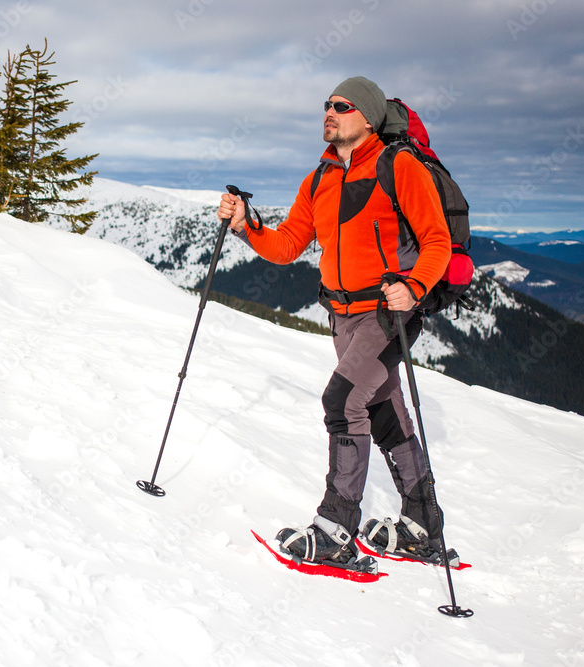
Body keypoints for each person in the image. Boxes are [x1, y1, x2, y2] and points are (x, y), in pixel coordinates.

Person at [218, 76, 452, 567]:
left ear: (368, 117)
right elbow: (287, 245)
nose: (330, 111)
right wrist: (246, 225)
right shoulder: (319, 179)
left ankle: (336, 528)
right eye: (327, 104)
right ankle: (423, 524)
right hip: (342, 315)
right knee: (383, 409)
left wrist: (413, 287)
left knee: (343, 401)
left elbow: (437, 241)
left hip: (389, 311)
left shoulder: (399, 166)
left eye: (342, 106)